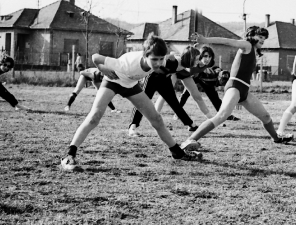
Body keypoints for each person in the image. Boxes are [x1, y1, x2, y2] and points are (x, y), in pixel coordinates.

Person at [60, 34, 201, 171]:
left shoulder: (162, 61)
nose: (158, 63)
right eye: (154, 59)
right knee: (94, 117)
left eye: (161, 59)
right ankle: (69, 155)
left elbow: (179, 62)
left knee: (156, 119)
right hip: (113, 81)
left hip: (132, 85)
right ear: (145, 55)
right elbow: (95, 57)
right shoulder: (125, 64)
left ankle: (177, 152)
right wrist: (103, 69)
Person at [180, 26, 293, 151]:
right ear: (251, 35)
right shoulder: (246, 45)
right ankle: (190, 140)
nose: (262, 40)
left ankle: (276, 138)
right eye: (260, 37)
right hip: (235, 86)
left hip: (244, 90)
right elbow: (228, 41)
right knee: (222, 115)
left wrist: (240, 97)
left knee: (265, 116)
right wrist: (205, 40)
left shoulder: (252, 50)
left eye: (264, 39)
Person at [126, 46, 212, 137]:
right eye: (197, 59)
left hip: (164, 79)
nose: (198, 61)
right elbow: (155, 62)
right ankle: (132, 127)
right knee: (143, 102)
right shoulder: (173, 60)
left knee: (174, 102)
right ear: (190, 58)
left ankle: (191, 125)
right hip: (152, 77)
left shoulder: (183, 65)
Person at [154, 46, 240, 122]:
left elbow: (208, 70)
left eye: (210, 56)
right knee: (169, 94)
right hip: (177, 72)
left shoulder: (209, 63)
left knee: (201, 97)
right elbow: (182, 58)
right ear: (200, 56)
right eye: (205, 56)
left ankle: (213, 118)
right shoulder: (193, 60)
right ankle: (157, 115)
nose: (208, 59)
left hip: (191, 76)